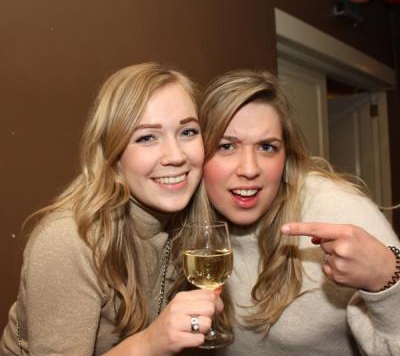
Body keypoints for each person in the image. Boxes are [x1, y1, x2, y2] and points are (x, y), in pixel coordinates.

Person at [0, 62, 223, 355]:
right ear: (112, 154)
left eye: (188, 131)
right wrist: (150, 343)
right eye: (147, 137)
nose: (176, 155)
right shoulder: (69, 240)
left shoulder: (187, 225)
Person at [197, 69, 400, 356]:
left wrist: (386, 280)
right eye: (226, 146)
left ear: (287, 156)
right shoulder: (185, 219)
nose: (249, 169)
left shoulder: (336, 210)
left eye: (267, 147)